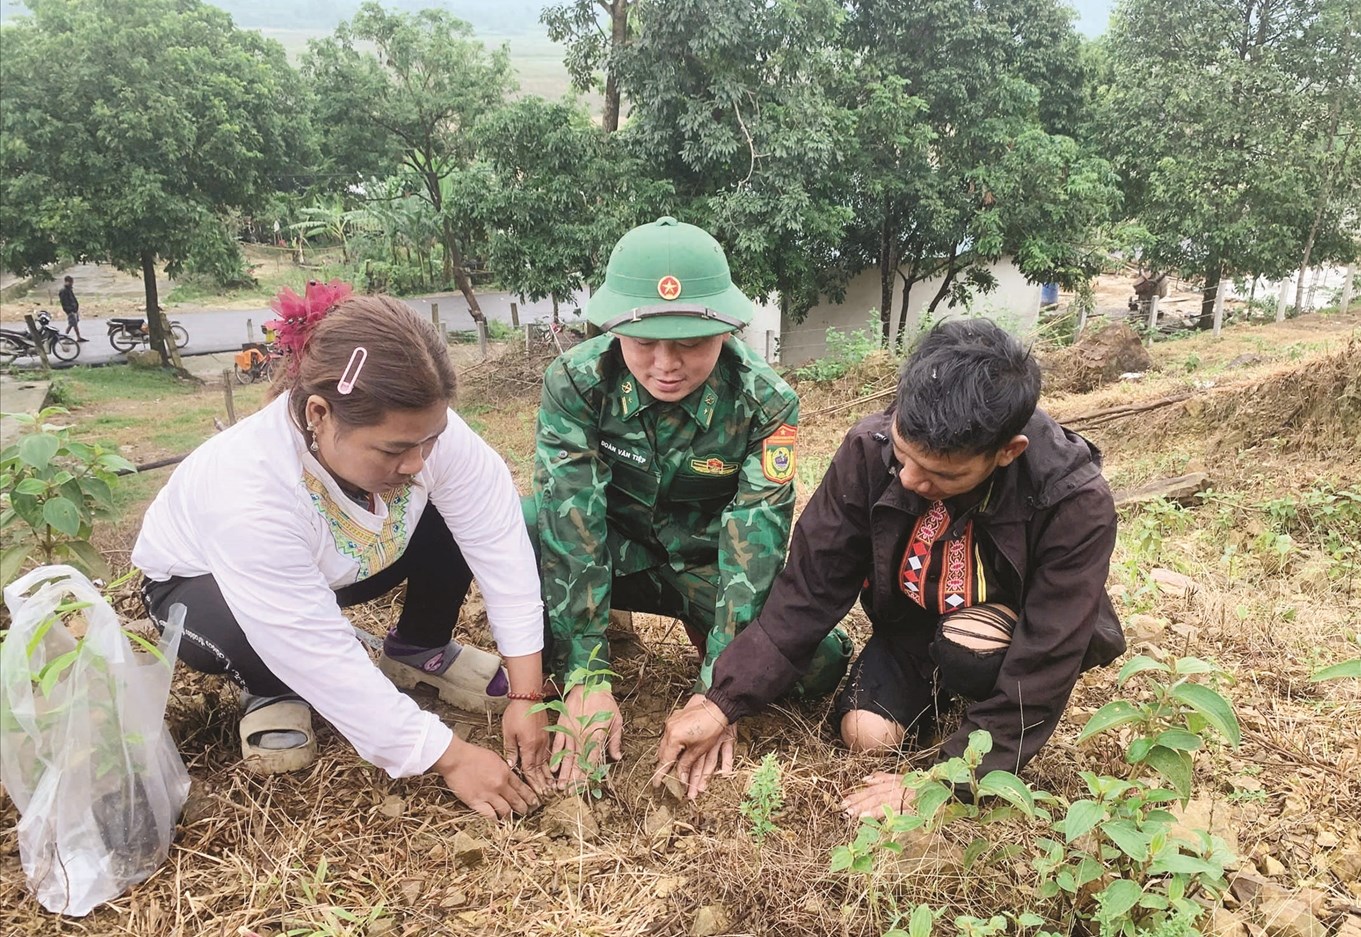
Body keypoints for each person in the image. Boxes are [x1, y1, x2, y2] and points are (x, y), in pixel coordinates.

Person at [656, 318, 1126, 811]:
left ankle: (974, 703)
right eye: (904, 458)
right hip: (912, 626)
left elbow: (1047, 657)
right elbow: (810, 587)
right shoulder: (869, 449)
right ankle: (937, 693)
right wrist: (722, 699)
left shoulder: (1072, 500)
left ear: (1007, 452)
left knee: (970, 644)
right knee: (865, 734)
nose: (908, 481)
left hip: (1004, 630)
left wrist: (947, 780)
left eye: (941, 475)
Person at [132, 281, 548, 819]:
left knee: (455, 513)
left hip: (340, 565)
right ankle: (269, 689)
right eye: (396, 448)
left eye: (431, 439)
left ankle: (417, 648)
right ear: (320, 415)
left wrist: (527, 693)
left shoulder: (425, 434)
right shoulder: (249, 489)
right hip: (200, 588)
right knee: (271, 648)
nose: (419, 460)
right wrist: (448, 756)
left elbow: (497, 542)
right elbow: (306, 642)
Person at [528, 216, 852, 792]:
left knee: (819, 663)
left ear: (726, 330)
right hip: (616, 554)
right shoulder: (576, 382)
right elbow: (570, 523)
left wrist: (720, 691)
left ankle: (701, 632)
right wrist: (585, 673)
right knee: (529, 525)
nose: (665, 365)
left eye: (690, 343)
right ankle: (602, 631)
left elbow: (753, 545)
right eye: (644, 342)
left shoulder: (765, 402)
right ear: (615, 329)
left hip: (708, 568)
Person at [58, 275, 87, 342]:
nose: (72, 284)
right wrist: (69, 309)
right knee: (73, 324)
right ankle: (67, 338)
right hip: (70, 310)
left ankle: (75, 337)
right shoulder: (64, 291)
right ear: (67, 282)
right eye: (71, 282)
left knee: (73, 323)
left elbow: (73, 299)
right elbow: (64, 302)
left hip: (73, 309)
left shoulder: (69, 289)